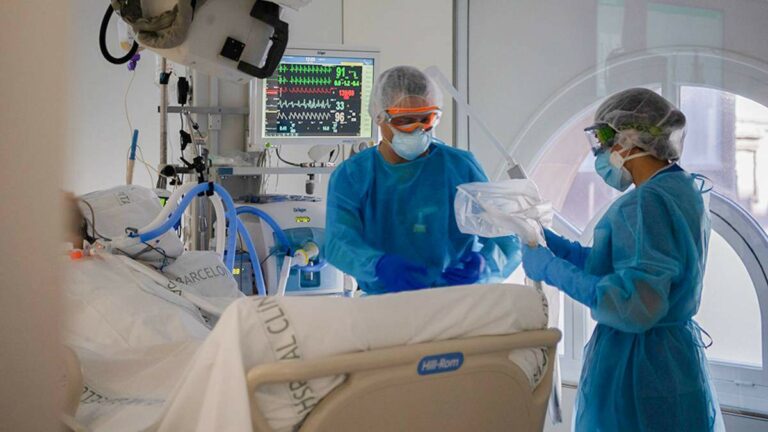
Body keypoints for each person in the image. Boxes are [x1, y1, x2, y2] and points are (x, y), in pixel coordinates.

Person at [522, 88, 724, 431]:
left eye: (604, 139)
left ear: (629, 139)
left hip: (639, 366)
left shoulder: (646, 204)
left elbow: (631, 302)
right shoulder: (682, 189)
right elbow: (628, 263)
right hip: (674, 360)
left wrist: (551, 269)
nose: (601, 153)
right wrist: (562, 249)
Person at [325, 66, 521, 295]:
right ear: (379, 117)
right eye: (405, 120)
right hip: (384, 301)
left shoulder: (459, 167)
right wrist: (378, 265)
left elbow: (508, 240)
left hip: (455, 297)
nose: (418, 130)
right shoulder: (353, 175)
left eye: (426, 119)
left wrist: (485, 266)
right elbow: (338, 242)